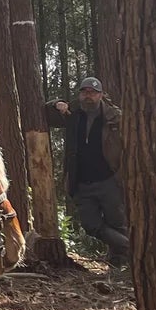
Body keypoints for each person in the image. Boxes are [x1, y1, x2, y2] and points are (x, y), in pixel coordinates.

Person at [51, 76, 128, 268]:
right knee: (91, 225)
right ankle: (130, 248)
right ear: (80, 95)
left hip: (109, 180)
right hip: (82, 182)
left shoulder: (114, 117)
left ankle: (120, 264)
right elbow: (46, 112)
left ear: (101, 95)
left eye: (93, 93)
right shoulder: (73, 115)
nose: (89, 96)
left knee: (117, 223)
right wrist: (56, 104)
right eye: (85, 92)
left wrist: (121, 174)